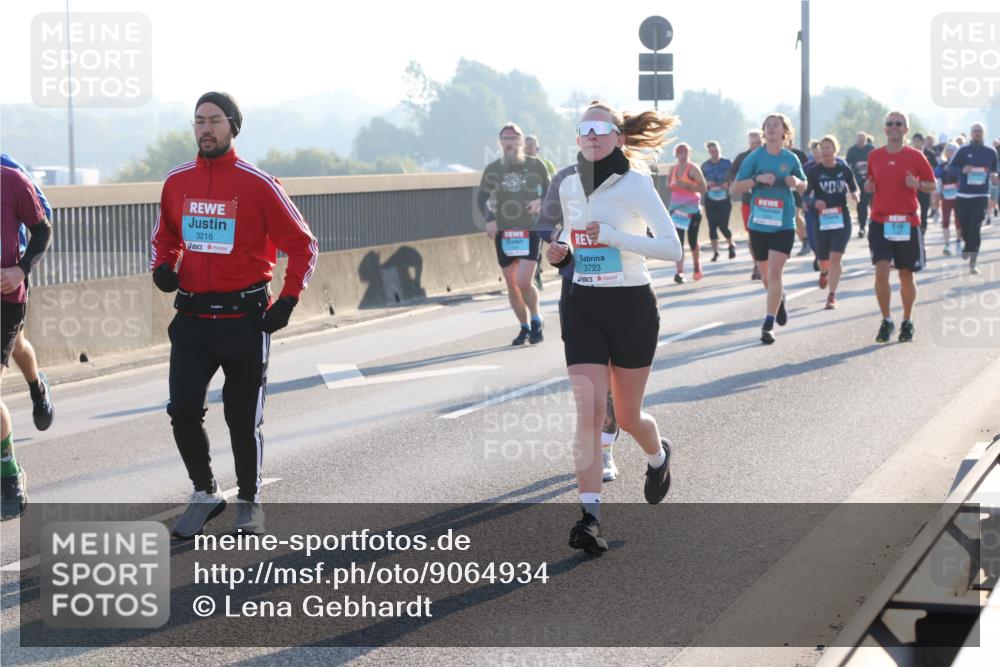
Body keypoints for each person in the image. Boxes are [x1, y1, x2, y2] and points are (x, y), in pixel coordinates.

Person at [150, 92, 319, 537]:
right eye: (198, 121)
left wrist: (287, 299)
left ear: (233, 127)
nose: (205, 129)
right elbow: (165, 237)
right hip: (191, 321)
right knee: (183, 409)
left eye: (215, 121)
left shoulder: (258, 184)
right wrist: (164, 266)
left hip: (246, 321)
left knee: (242, 417)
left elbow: (304, 245)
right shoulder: (176, 181)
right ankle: (205, 493)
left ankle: (250, 500)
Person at [543, 100, 682, 553]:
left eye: (602, 128)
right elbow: (570, 233)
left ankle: (657, 454)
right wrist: (559, 251)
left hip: (631, 306)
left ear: (619, 138)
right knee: (588, 414)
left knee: (626, 415)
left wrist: (616, 237)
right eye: (585, 128)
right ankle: (589, 517)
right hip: (583, 302)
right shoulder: (568, 183)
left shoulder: (636, 184)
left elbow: (672, 249)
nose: (593, 134)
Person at [1, 166, 53, 519]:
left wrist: (21, 269)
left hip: (6, 297)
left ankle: (9, 474)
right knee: (19, 347)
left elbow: (42, 230)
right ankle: (37, 385)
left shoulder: (12, 179)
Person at [732, 113, 807, 345]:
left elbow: (805, 186)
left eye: (776, 125)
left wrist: (796, 182)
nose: (772, 129)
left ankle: (768, 323)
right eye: (768, 126)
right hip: (759, 224)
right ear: (764, 131)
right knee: (766, 276)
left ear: (785, 131)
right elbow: (736, 187)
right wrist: (756, 180)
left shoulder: (791, 158)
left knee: (775, 272)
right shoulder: (755, 158)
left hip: (783, 223)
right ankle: (779, 299)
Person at [865, 111, 935, 343]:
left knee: (906, 274)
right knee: (881, 270)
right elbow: (871, 180)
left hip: (906, 222)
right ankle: (886, 320)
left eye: (898, 124)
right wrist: (868, 185)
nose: (893, 127)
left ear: (905, 129)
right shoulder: (874, 156)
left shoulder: (915, 156)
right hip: (880, 221)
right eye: (889, 124)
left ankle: (907, 319)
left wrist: (917, 184)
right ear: (885, 130)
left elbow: (931, 185)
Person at [477, 123, 550, 345]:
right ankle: (524, 326)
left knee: (524, 281)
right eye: (504, 139)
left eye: (513, 138)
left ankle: (537, 318)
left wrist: (540, 201)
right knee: (511, 284)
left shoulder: (535, 165)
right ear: (500, 143)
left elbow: (551, 192)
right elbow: (481, 198)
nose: (509, 143)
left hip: (530, 229)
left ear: (520, 141)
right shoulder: (493, 169)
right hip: (504, 232)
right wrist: (490, 219)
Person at [0, 154, 55, 431]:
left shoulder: (10, 170)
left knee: (17, 346)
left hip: (10, 278)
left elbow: (44, 219)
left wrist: (21, 268)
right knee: (17, 346)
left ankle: (37, 387)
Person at [806, 136, 858, 309]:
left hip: (841, 216)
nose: (825, 150)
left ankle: (832, 295)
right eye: (823, 148)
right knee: (824, 260)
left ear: (835, 149)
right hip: (822, 219)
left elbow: (853, 186)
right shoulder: (814, 172)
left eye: (829, 147)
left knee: (836, 257)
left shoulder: (844, 169)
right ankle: (823, 272)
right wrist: (814, 202)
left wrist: (855, 194)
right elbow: (804, 195)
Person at [948, 123, 1000, 274]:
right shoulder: (963, 150)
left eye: (980, 131)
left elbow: (994, 169)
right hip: (963, 194)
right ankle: (967, 245)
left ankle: (973, 263)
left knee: (975, 227)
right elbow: (951, 169)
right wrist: (962, 170)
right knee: (964, 228)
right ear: (971, 134)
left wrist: (994, 175)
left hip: (981, 195)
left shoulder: (991, 152)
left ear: (983, 134)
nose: (977, 134)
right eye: (975, 131)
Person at [667, 142, 707, 282]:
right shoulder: (673, 169)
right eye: (680, 153)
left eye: (685, 153)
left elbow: (703, 188)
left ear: (688, 154)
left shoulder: (693, 169)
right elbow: (668, 185)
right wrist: (672, 186)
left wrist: (687, 186)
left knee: (692, 241)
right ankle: (680, 272)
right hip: (677, 210)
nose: (682, 156)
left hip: (692, 210)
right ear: (676, 154)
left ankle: (697, 265)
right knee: (678, 242)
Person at [728, 130, 764, 280]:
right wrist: (742, 181)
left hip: (766, 202)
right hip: (748, 201)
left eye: (758, 143)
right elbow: (730, 174)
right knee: (752, 235)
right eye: (752, 144)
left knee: (767, 234)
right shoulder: (742, 157)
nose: (755, 147)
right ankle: (757, 264)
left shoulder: (768, 156)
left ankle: (766, 262)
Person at [524, 134, 555, 291]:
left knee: (537, 245)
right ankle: (528, 276)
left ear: (538, 149)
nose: (529, 150)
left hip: (540, 213)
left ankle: (536, 275)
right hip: (520, 214)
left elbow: (552, 187)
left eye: (532, 147)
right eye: (526, 147)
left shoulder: (546, 164)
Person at [701, 141, 736, 261]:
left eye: (716, 151)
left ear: (719, 150)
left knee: (723, 225)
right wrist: (707, 183)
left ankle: (731, 244)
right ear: (709, 152)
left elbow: (735, 177)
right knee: (712, 226)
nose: (714, 154)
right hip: (710, 198)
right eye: (712, 152)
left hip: (724, 198)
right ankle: (716, 252)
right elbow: (700, 181)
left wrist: (728, 183)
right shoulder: (705, 165)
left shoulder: (727, 163)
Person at [934, 143, 961, 255]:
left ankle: (959, 242)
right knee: (945, 220)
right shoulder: (942, 165)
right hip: (946, 196)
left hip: (959, 196)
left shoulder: (960, 165)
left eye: (953, 150)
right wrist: (937, 193)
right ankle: (947, 245)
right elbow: (936, 175)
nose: (950, 152)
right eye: (948, 150)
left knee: (958, 220)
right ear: (945, 152)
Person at [846, 132, 874, 239]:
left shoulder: (871, 149)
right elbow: (847, 165)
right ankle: (862, 227)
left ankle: (874, 225)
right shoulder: (852, 150)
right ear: (856, 140)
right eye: (859, 139)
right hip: (858, 182)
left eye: (863, 140)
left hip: (871, 180)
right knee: (861, 206)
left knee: (874, 204)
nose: (861, 142)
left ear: (866, 140)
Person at [787, 138, 811, 256]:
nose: (788, 145)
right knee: (789, 219)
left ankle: (806, 241)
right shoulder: (775, 154)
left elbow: (807, 172)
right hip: (783, 192)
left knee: (795, 215)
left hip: (798, 190)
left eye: (790, 142)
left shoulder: (799, 155)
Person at [911, 134, 938, 232]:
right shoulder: (909, 153)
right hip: (912, 186)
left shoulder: (929, 153)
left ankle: (923, 227)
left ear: (922, 142)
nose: (917, 143)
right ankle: (914, 227)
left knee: (924, 207)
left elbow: (935, 166)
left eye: (919, 141)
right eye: (915, 141)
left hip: (925, 184)